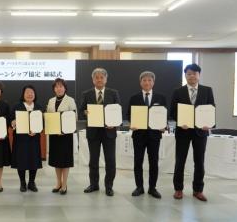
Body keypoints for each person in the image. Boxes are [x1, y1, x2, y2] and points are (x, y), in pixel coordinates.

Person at [170, 63, 215, 201]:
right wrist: (180, 121)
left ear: (199, 75)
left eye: (194, 74)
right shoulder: (178, 91)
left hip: (201, 132)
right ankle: (178, 189)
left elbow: (211, 108)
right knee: (180, 161)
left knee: (199, 161)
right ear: (185, 75)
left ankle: (198, 190)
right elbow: (172, 112)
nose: (192, 76)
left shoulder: (207, 90)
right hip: (183, 131)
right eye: (189, 74)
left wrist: (210, 124)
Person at [80, 67, 120, 196]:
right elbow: (81, 111)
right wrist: (85, 112)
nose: (99, 79)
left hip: (109, 132)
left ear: (106, 79)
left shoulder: (113, 93)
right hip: (93, 132)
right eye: (96, 77)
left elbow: (118, 111)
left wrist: (114, 124)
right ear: (93, 80)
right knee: (93, 160)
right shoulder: (87, 94)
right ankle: (94, 184)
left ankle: (109, 186)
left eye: (101, 77)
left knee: (110, 160)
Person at [128, 71, 167, 199]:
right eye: (144, 80)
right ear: (140, 82)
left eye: (149, 80)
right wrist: (131, 124)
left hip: (154, 136)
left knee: (153, 162)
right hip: (138, 135)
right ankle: (139, 187)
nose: (147, 82)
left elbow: (164, 115)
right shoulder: (134, 98)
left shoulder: (161, 98)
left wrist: (164, 125)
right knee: (138, 162)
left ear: (153, 82)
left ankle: (152, 188)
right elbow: (128, 115)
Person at [46, 78, 77, 195]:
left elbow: (73, 118)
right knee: (56, 160)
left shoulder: (70, 100)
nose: (59, 88)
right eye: (56, 86)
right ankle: (58, 183)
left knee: (65, 161)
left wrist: (64, 130)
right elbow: (48, 117)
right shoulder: (51, 101)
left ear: (65, 88)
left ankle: (64, 185)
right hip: (54, 135)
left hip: (65, 136)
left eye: (61, 86)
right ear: (54, 89)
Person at [11, 85, 43, 192]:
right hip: (20, 139)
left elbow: (43, 123)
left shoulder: (39, 107)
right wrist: (13, 122)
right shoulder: (17, 106)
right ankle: (22, 182)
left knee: (33, 161)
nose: (30, 94)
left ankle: (31, 182)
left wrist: (37, 130)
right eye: (27, 92)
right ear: (23, 94)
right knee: (21, 161)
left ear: (35, 94)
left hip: (34, 139)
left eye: (32, 92)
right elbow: (10, 122)